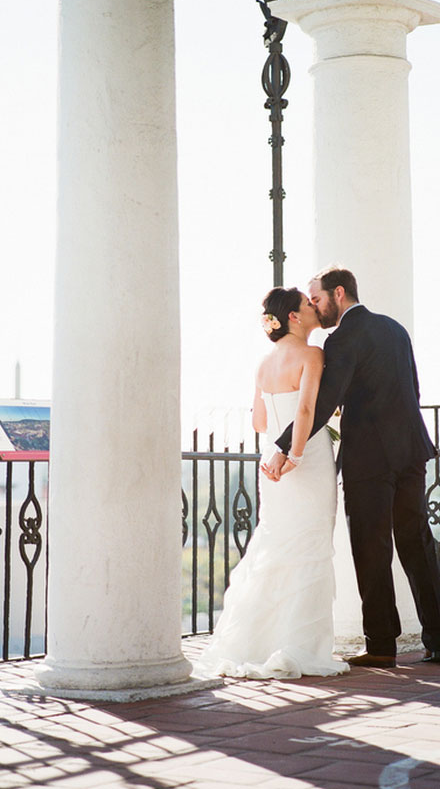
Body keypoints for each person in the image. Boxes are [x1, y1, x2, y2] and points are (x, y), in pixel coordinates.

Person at [262, 267, 440, 667]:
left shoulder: (342, 339)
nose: (314, 306)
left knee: (372, 548)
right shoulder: (395, 328)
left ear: (339, 294)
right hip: (411, 450)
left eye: (316, 299)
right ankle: (438, 638)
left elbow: (325, 400)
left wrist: (282, 448)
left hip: (370, 458)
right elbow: (413, 389)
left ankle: (382, 645)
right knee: (417, 542)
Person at [193, 286, 348, 679]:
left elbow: (260, 423)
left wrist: (279, 452)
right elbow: (308, 409)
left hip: (270, 465)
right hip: (305, 460)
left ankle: (256, 642)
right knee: (310, 546)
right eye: (307, 305)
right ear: (293, 317)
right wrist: (295, 455)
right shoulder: (313, 355)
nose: (314, 308)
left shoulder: (263, 365)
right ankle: (300, 646)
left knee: (276, 546)